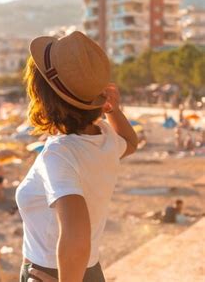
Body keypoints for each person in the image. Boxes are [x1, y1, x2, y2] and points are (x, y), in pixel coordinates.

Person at [15, 32, 138, 282]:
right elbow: (131, 143)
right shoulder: (103, 136)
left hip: (54, 273)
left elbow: (77, 235)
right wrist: (113, 111)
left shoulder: (59, 154)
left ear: (43, 96)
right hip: (89, 271)